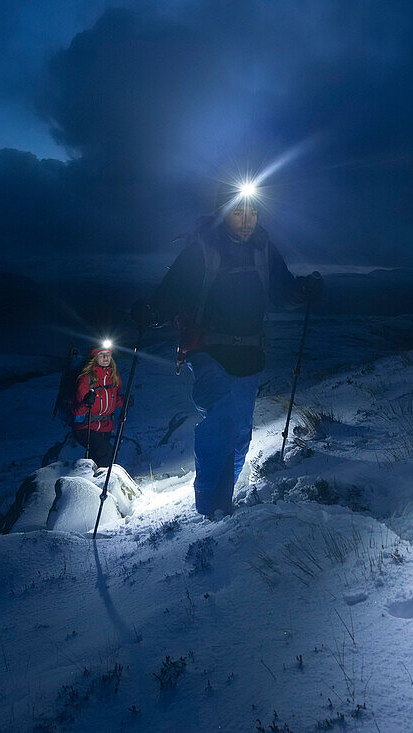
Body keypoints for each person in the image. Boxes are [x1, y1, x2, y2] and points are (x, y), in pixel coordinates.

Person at [133, 186, 323, 519]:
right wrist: (152, 313)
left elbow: (281, 292)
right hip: (206, 351)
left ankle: (224, 497)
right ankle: (211, 507)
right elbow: (171, 295)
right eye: (238, 212)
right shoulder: (201, 251)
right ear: (223, 212)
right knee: (219, 419)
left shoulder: (264, 250)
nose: (247, 221)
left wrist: (302, 290)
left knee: (239, 434)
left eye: (252, 213)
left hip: (250, 355)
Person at [72, 344, 124, 468]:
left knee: (98, 460)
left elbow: (113, 399)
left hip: (105, 427)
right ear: (95, 356)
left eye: (108, 354)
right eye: (101, 354)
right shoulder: (86, 378)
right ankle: (103, 483)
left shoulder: (114, 375)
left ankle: (93, 483)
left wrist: (125, 400)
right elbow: (76, 411)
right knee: (107, 454)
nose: (106, 357)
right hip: (86, 427)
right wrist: (86, 403)